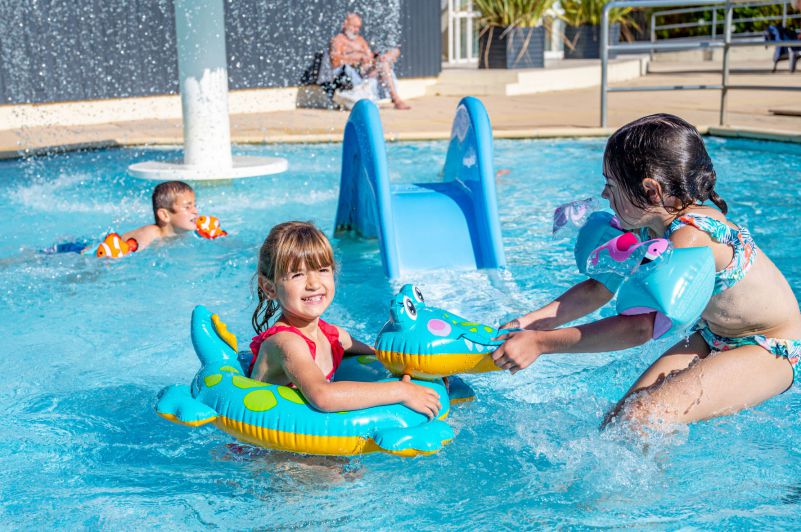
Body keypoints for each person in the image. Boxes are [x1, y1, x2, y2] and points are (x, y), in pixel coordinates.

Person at [492, 114, 801, 430]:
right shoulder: (650, 227)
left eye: (611, 184)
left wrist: (541, 344)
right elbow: (599, 289)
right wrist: (526, 324)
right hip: (715, 335)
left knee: (643, 418)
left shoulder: (692, 236)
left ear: (651, 190)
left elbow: (638, 328)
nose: (603, 195)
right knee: (619, 420)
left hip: (772, 347)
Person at [248, 221, 441, 417]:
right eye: (297, 274)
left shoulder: (333, 335)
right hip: (268, 447)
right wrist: (401, 391)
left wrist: (424, 373)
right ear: (270, 288)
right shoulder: (286, 343)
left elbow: (384, 357)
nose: (314, 284)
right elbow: (323, 396)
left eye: (322, 270)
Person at [329, 12, 410, 110]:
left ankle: (395, 96)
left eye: (358, 27)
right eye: (354, 26)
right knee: (383, 65)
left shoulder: (360, 40)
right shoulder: (338, 40)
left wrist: (377, 57)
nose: (356, 30)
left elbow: (369, 57)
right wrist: (357, 58)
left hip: (368, 70)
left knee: (392, 53)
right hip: (355, 74)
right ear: (345, 24)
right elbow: (335, 61)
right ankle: (396, 99)